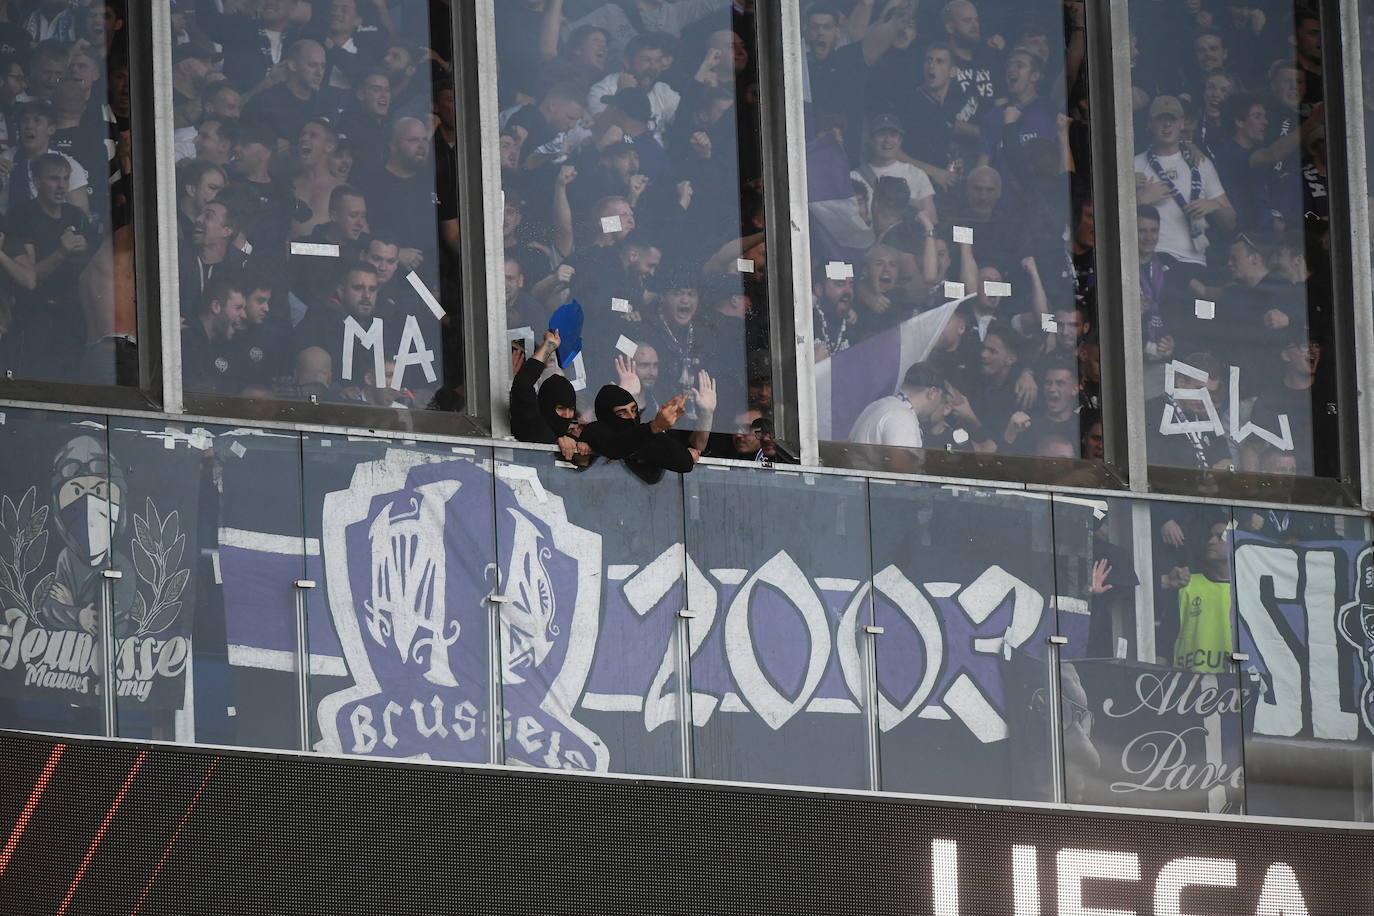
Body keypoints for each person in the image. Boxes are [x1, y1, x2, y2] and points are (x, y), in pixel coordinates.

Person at [580, 382, 699, 479]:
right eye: (622, 413)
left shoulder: (644, 433)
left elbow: (684, 463)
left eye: (633, 410)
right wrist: (655, 426)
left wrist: (656, 430)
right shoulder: (594, 430)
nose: (632, 417)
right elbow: (614, 446)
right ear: (607, 416)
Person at [509, 328, 587, 464]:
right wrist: (549, 346)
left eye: (570, 409)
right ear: (547, 405)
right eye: (560, 408)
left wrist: (581, 446)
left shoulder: (569, 434)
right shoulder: (531, 421)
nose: (566, 415)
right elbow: (523, 384)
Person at [848, 361, 946, 449]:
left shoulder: (879, 405)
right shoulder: (902, 419)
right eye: (941, 398)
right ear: (932, 393)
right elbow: (902, 464)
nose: (940, 405)